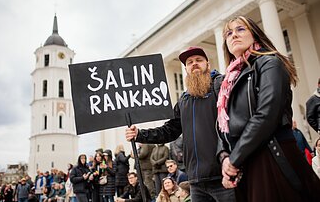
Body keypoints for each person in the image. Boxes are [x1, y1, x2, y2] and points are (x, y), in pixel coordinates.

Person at [216, 15, 320, 201]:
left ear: (254, 34)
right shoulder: (229, 80)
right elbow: (223, 126)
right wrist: (224, 157)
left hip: (273, 155)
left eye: (240, 29)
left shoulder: (270, 63)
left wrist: (234, 159)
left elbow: (266, 115)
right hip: (245, 161)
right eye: (228, 33)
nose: (234, 36)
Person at [125, 46, 235, 202]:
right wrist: (140, 134)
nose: (194, 64)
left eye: (199, 60)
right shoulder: (184, 100)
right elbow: (169, 130)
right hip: (196, 182)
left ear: (208, 64)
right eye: (189, 62)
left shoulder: (221, 86)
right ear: (186, 69)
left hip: (223, 175)